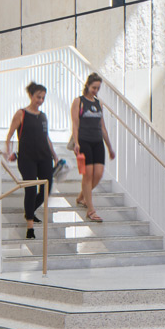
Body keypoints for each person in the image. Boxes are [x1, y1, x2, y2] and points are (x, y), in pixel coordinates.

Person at [5, 82, 56, 238]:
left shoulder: (43, 116)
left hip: (44, 157)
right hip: (27, 158)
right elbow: (10, 136)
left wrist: (55, 156)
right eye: (38, 97)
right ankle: (30, 227)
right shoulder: (21, 114)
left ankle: (29, 211)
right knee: (31, 189)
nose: (40, 100)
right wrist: (9, 153)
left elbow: (46, 137)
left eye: (43, 98)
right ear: (31, 96)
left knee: (47, 188)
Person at [68, 73, 112, 223]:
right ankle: (90, 210)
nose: (95, 90)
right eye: (94, 87)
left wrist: (110, 147)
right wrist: (77, 142)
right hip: (84, 141)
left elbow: (103, 127)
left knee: (98, 174)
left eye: (98, 88)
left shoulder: (99, 103)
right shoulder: (78, 102)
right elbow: (75, 123)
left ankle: (82, 197)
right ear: (87, 85)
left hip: (97, 141)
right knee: (88, 175)